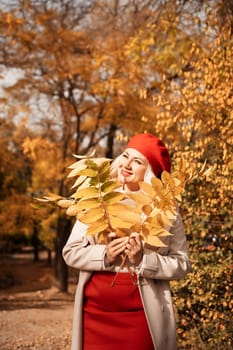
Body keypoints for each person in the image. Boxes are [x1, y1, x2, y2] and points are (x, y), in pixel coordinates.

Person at [62, 133, 192, 350]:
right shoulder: (97, 198)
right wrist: (105, 255)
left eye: (138, 161)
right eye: (125, 155)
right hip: (94, 313)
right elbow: (71, 252)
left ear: (149, 172)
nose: (127, 164)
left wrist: (143, 259)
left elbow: (182, 263)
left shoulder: (166, 210)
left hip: (140, 316)